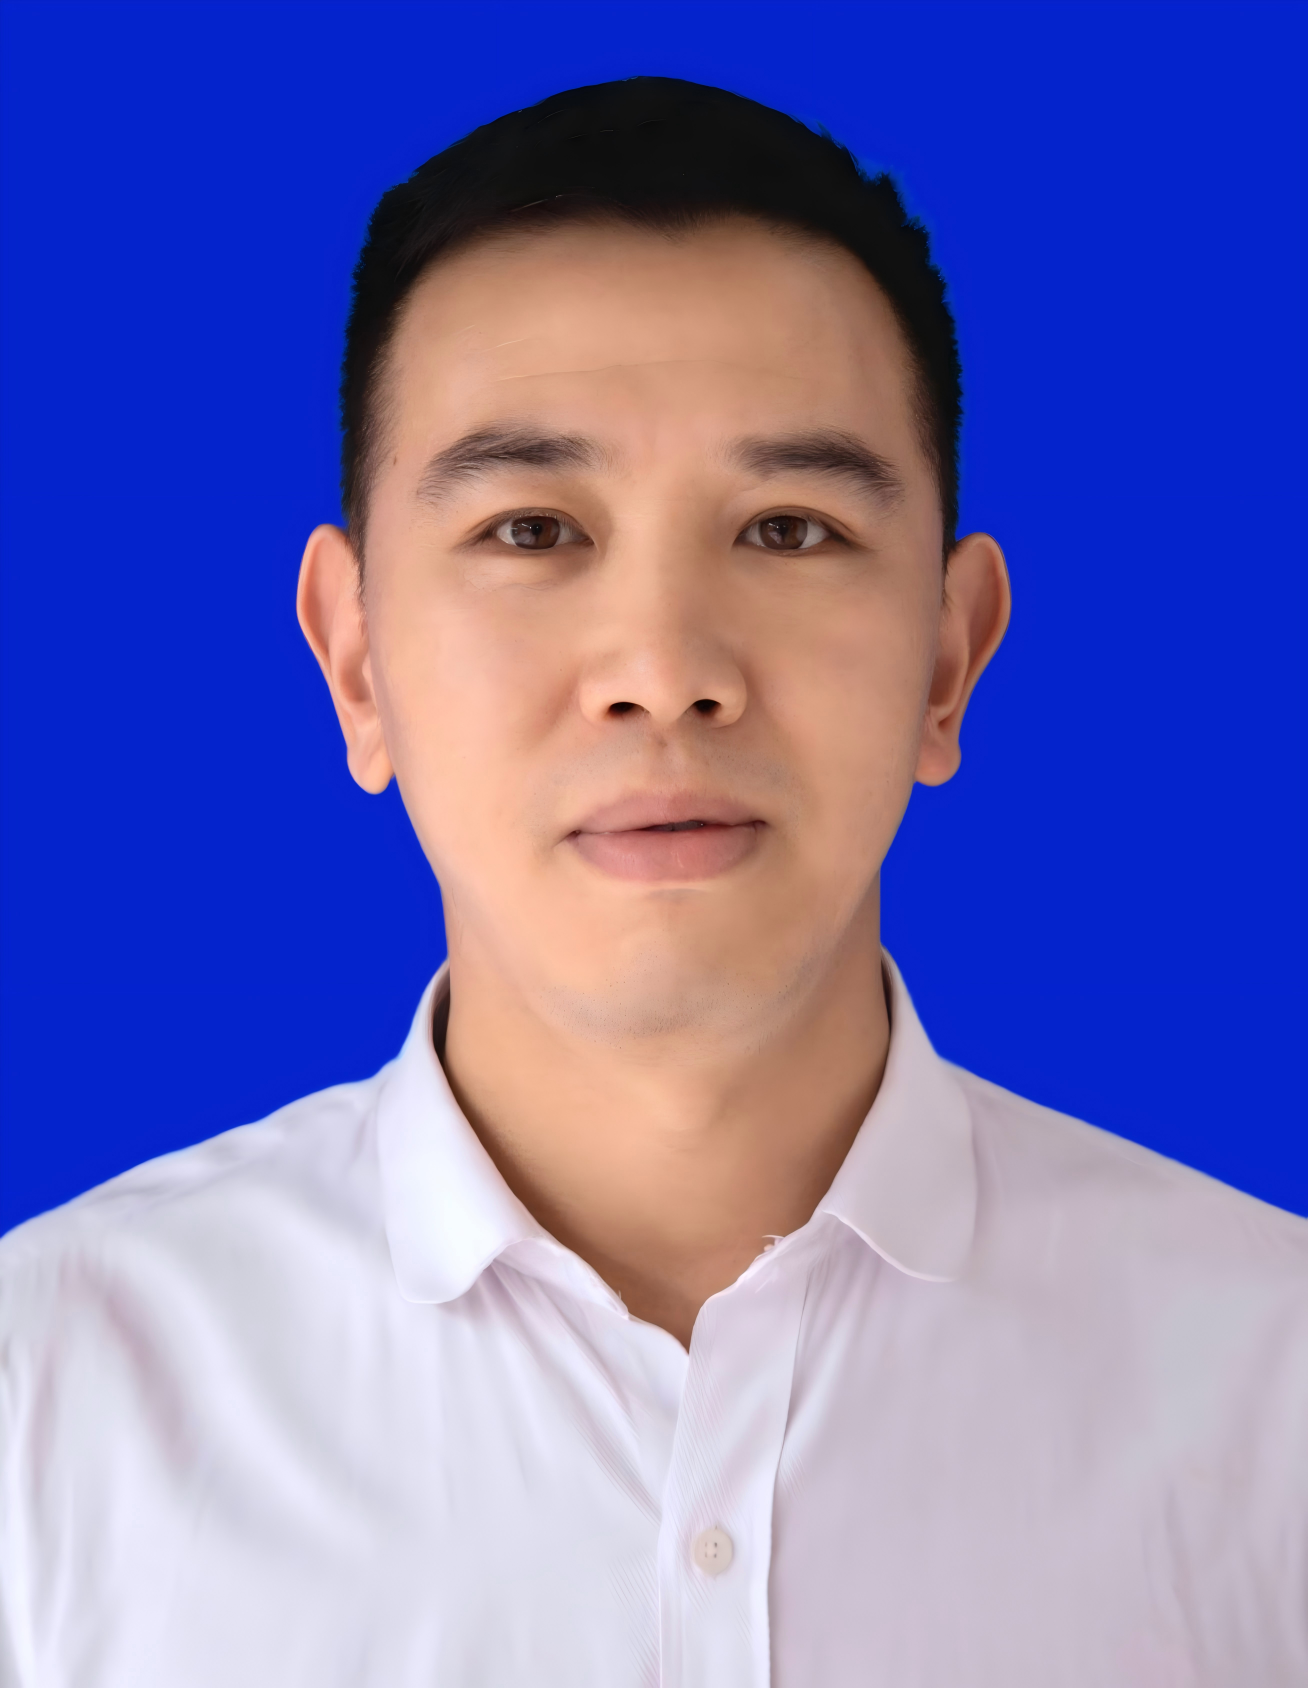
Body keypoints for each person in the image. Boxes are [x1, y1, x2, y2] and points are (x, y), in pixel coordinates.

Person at [1, 75, 1304, 1688]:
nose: (664, 669)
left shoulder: (1274, 1394)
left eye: (790, 529)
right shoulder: (45, 1401)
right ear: (355, 661)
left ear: (948, 661)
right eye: (533, 530)